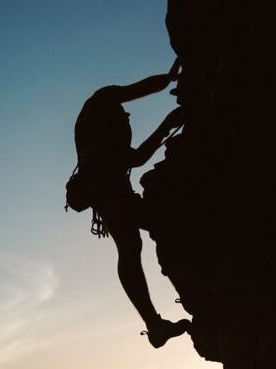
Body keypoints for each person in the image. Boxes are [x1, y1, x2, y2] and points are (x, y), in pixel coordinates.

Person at [72, 59, 191, 348]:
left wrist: (167, 79)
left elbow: (137, 89)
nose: (127, 117)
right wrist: (167, 124)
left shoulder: (102, 106)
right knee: (130, 245)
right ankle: (155, 323)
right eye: (124, 116)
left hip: (108, 188)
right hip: (106, 189)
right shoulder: (98, 118)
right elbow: (135, 159)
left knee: (143, 236)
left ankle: (161, 318)